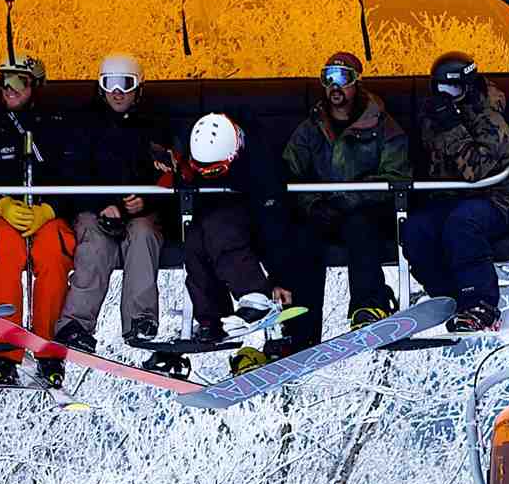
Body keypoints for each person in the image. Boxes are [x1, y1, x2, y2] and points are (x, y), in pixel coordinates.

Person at [275, 50, 409, 346]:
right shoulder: (311, 129)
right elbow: (289, 172)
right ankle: (300, 328)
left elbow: (396, 174)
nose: (334, 86)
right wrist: (313, 204)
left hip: (367, 210)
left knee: (360, 228)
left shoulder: (382, 126)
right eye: (328, 78)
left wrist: (348, 199)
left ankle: (368, 306)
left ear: (356, 82)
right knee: (304, 238)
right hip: (323, 212)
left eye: (342, 78)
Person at [53, 52, 175, 360]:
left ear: (139, 88)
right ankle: (76, 324)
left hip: (140, 212)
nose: (118, 92)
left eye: (126, 84)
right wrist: (102, 205)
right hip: (95, 208)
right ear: (101, 87)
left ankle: (140, 320)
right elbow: (72, 174)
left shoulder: (154, 125)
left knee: (144, 235)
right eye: (110, 84)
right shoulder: (85, 125)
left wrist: (146, 200)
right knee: (95, 242)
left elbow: (168, 173)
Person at [0, 54, 74, 387]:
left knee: (54, 251)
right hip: (3, 217)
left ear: (36, 86)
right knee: (3, 250)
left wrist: (51, 208)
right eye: (4, 81)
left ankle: (48, 349)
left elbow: (77, 174)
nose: (10, 89)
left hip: (46, 216)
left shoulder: (58, 126)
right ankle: (2, 353)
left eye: (19, 82)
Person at [403, 51, 509, 332]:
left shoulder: (490, 120)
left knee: (462, 224)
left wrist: (453, 127)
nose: (446, 97)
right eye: (441, 89)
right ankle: (448, 296)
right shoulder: (432, 116)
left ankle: (480, 303)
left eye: (453, 89)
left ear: (469, 87)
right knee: (416, 229)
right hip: (447, 198)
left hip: (490, 200)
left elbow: (475, 171)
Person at [171, 114, 280, 380]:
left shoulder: (259, 158)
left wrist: (281, 277)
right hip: (210, 221)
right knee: (194, 241)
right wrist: (182, 174)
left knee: (220, 228)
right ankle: (212, 317)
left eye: (215, 170)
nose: (208, 175)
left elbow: (278, 220)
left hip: (253, 221)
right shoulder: (190, 148)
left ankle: (255, 295)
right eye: (202, 170)